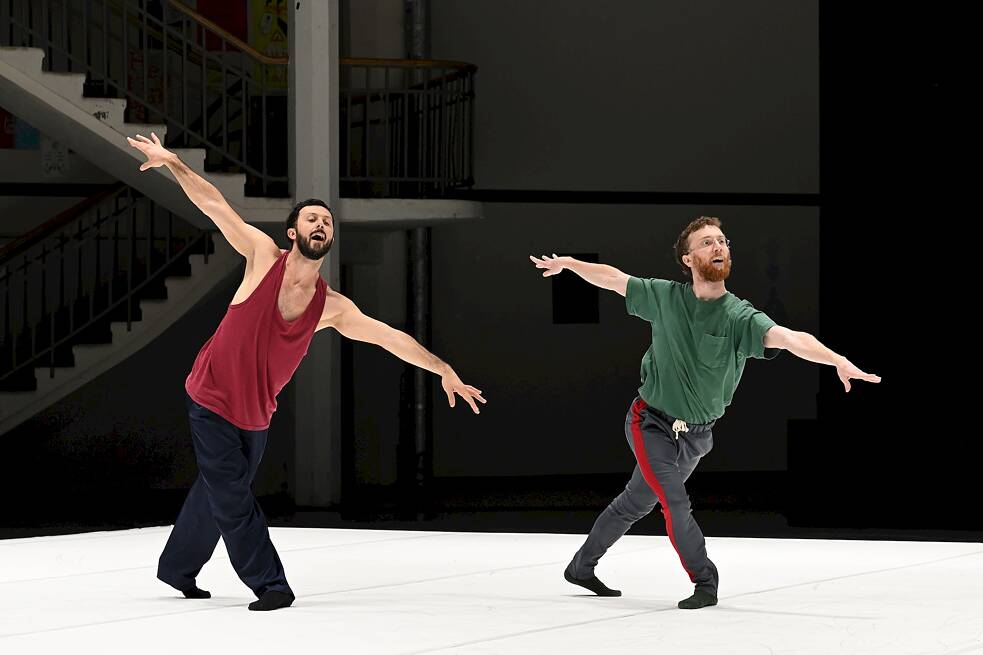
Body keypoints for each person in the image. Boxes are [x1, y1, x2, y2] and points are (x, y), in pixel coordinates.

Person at [127, 132, 485, 611]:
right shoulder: (261, 257)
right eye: (312, 218)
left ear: (330, 240)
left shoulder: (331, 307)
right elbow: (215, 205)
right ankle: (270, 584)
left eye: (328, 222)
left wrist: (443, 369)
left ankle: (176, 568)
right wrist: (173, 163)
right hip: (210, 398)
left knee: (218, 488)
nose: (321, 224)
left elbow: (389, 337)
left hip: (254, 416)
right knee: (232, 494)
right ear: (292, 233)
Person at [529, 215, 879, 610]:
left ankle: (580, 567)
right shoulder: (665, 297)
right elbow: (614, 279)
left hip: (696, 436)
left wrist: (836, 360)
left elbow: (790, 338)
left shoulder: (739, 317)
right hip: (650, 422)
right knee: (674, 502)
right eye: (707, 242)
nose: (718, 246)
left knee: (635, 502)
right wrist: (571, 265)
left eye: (722, 240)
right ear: (688, 258)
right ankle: (705, 581)